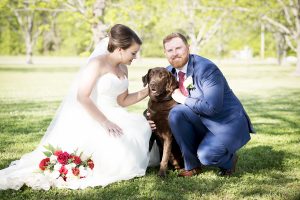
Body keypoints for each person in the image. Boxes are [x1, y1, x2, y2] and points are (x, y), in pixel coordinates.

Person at [0, 24, 157, 190]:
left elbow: (123, 100)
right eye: (133, 53)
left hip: (117, 112)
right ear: (120, 49)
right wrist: (105, 122)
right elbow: (82, 96)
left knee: (141, 127)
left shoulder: (123, 67)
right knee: (119, 141)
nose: (135, 57)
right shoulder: (97, 64)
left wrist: (148, 90)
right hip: (96, 115)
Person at [149, 33, 255, 177]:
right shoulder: (168, 72)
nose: (174, 54)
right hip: (199, 120)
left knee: (207, 155)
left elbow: (212, 108)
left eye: (178, 48)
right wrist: (149, 116)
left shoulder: (207, 69)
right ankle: (192, 166)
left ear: (188, 47)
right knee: (176, 113)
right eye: (170, 50)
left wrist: (184, 99)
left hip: (224, 122)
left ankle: (229, 160)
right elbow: (152, 92)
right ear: (165, 53)